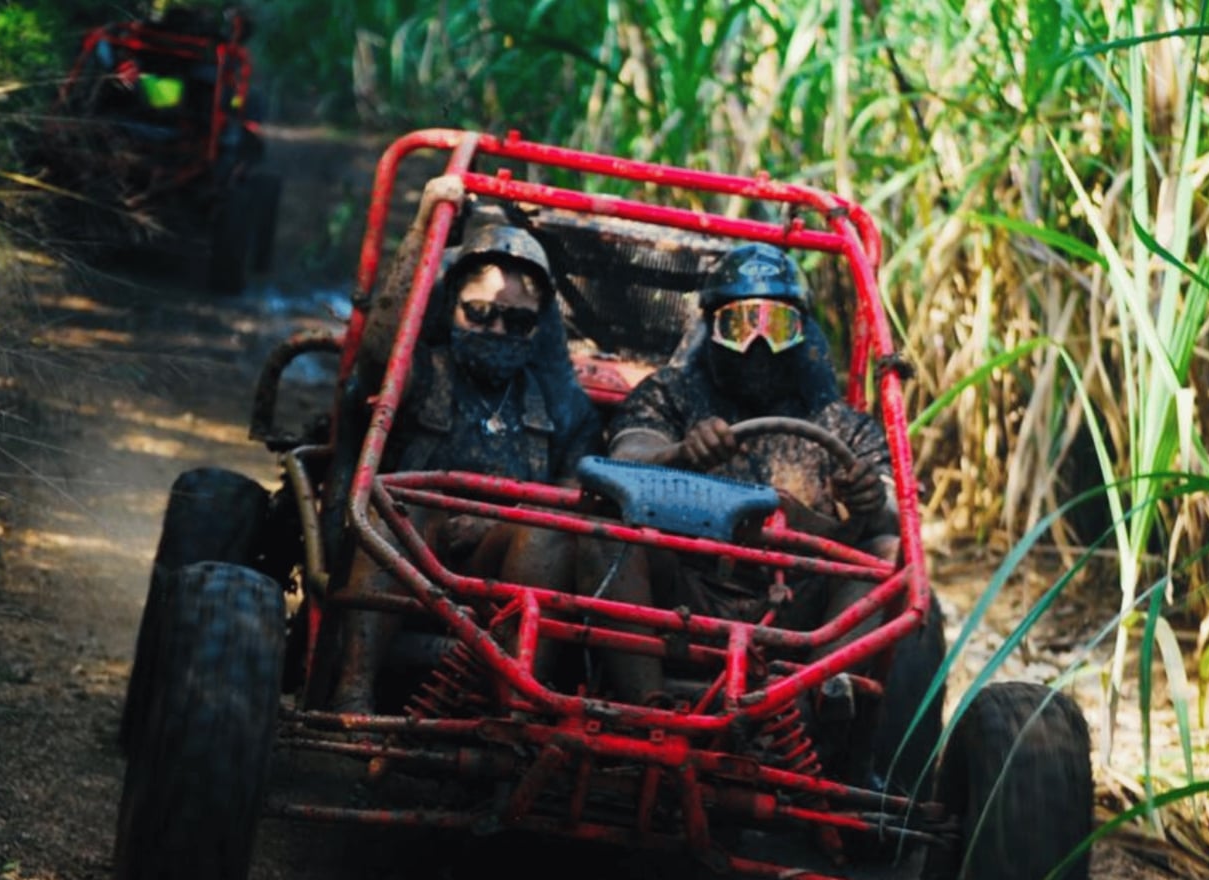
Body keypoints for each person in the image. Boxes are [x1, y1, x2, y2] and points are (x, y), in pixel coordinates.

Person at [330, 176, 601, 713]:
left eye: (518, 321)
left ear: (538, 328)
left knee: (549, 536)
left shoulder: (557, 404)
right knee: (391, 516)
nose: (497, 329)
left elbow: (578, 486)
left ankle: (515, 710)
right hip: (407, 547)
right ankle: (352, 697)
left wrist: (505, 521)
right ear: (451, 304)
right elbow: (379, 357)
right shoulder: (422, 373)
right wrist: (424, 226)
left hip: (502, 564)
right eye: (480, 313)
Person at [587, 242, 898, 708]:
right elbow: (628, 457)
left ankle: (819, 701)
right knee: (600, 530)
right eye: (739, 325)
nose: (757, 344)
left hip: (799, 608)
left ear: (802, 333)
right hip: (678, 595)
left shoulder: (840, 424)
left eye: (776, 326)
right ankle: (647, 707)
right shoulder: (672, 395)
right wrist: (681, 456)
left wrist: (870, 501)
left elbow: (896, 514)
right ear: (711, 330)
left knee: (887, 554)